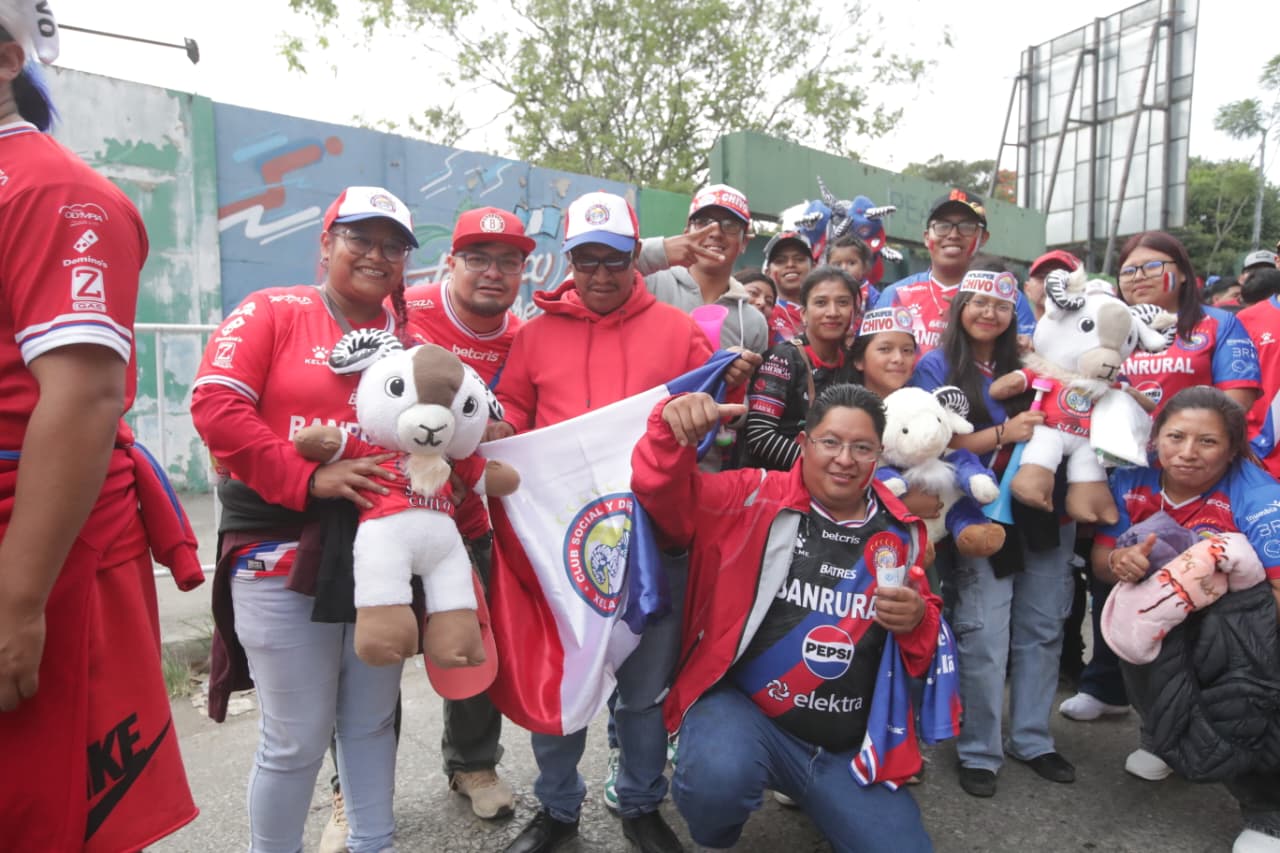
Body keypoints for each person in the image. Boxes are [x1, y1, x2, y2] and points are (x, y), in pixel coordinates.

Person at [490, 190, 758, 853]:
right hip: (563, 550)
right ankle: (557, 808)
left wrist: (731, 395)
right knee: (562, 681)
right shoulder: (532, 336)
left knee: (642, 694)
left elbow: (712, 419)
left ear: (636, 256)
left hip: (653, 538)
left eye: (615, 259)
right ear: (570, 260)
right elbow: (513, 425)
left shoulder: (677, 329)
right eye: (587, 260)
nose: (602, 274)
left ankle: (641, 802)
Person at [0, 8, 201, 850]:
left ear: (9, 56)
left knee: (49, 819)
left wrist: (18, 604)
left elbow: (84, 395)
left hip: (40, 549)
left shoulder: (54, 189)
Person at [193, 186, 420, 853]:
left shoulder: (407, 342)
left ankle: (373, 842)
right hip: (278, 553)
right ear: (326, 244)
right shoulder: (273, 309)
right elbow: (215, 407)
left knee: (373, 722)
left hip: (381, 557)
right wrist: (307, 477)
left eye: (393, 245)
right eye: (360, 238)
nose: (377, 255)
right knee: (295, 736)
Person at [631, 383, 940, 853]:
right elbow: (662, 501)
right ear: (803, 444)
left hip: (844, 748)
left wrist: (917, 617)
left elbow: (923, 649)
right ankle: (717, 837)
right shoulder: (749, 496)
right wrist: (667, 436)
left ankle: (819, 795)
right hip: (745, 717)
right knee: (718, 778)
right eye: (830, 442)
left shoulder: (901, 533)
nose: (844, 458)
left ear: (879, 454)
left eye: (862, 447)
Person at [1060, 231, 1264, 723]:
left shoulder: (1217, 325)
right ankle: (1106, 685)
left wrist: (1177, 434)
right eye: (1130, 270)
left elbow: (1236, 406)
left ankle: (1177, 712)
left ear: (1183, 273)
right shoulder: (1110, 326)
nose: (1139, 277)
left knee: (1186, 580)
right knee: (1114, 565)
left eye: (1153, 267)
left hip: (1198, 471)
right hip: (1125, 471)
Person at [1089, 386, 1280, 851]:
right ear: (1155, 437)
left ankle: (1267, 808)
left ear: (1233, 447)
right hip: (1162, 607)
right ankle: (1164, 741)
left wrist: (1253, 658)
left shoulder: (1259, 494)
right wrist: (1122, 563)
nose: (1188, 453)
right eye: (1175, 437)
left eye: (1208, 442)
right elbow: (1100, 557)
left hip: (1241, 615)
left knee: (1246, 702)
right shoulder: (1133, 478)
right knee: (1137, 645)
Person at [910, 273, 1079, 798]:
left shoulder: (1033, 360)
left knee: (1044, 626)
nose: (989, 312)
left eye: (1001, 305)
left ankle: (1032, 737)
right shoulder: (935, 365)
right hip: (981, 512)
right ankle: (979, 749)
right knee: (984, 632)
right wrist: (1007, 432)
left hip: (1045, 508)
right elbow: (929, 445)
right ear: (960, 305)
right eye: (978, 301)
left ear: (1015, 314)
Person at [402, 206, 537, 821]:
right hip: (385, 511)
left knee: (472, 643)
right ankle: (349, 787)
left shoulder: (525, 337)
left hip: (469, 516)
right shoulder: (405, 311)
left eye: (508, 261)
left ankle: (473, 764)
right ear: (450, 262)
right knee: (373, 650)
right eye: (478, 258)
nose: (493, 272)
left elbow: (525, 416)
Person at [878, 190, 1036, 357]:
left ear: (983, 238)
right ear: (926, 237)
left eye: (967, 227)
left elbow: (1026, 364)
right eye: (942, 226)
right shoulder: (896, 295)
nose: (953, 235)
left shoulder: (1009, 297)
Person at [744, 266, 858, 471]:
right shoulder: (783, 358)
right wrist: (824, 466)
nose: (832, 312)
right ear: (804, 314)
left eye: (842, 302)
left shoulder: (856, 363)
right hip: (777, 487)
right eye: (821, 303)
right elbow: (760, 435)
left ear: (854, 311)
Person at [638, 183, 769, 354]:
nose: (715, 232)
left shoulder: (754, 322)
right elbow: (604, 264)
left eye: (730, 225)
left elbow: (755, 380)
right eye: (703, 222)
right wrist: (661, 250)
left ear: (744, 242)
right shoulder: (650, 282)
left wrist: (738, 376)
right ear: (686, 234)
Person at [849, 306, 916, 401]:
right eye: (885, 349)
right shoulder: (844, 411)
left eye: (907, 350)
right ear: (859, 359)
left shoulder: (925, 409)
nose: (898, 359)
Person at [763, 230, 816, 344]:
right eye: (780, 261)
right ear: (768, 272)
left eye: (799, 259)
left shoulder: (828, 311)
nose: (790, 264)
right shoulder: (762, 312)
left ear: (814, 267)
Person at [827, 231, 880, 316]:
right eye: (837, 264)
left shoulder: (872, 295)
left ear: (864, 267)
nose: (843, 268)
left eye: (851, 263)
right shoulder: (823, 290)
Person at [1024, 250, 1081, 321]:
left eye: (1063, 278)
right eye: (1042, 277)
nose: (1050, 284)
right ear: (1027, 289)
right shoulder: (1012, 330)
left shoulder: (1093, 331)